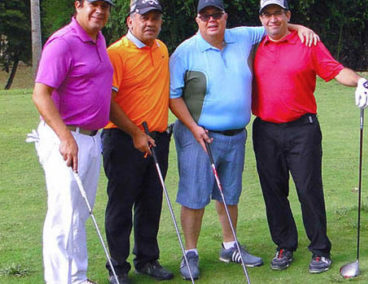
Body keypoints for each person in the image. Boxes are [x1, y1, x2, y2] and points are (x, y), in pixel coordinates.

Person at [169, 0, 319, 280]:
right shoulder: (185, 52)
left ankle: (230, 246)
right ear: (197, 20)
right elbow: (173, 95)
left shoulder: (241, 35)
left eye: (217, 14)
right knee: (194, 196)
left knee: (230, 194)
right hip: (199, 135)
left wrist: (300, 27)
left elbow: (273, 25)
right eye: (206, 15)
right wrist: (193, 127)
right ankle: (190, 252)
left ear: (225, 17)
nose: (212, 20)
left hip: (236, 134)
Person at [252, 0, 368, 274]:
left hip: (302, 129)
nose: (273, 19)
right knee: (273, 191)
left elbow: (335, 69)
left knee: (308, 189)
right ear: (261, 18)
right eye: (267, 14)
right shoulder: (253, 44)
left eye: (278, 13)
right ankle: (284, 245)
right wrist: (298, 26)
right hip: (265, 129)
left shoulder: (308, 43)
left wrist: (360, 81)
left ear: (287, 15)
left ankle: (320, 249)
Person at [31, 0, 114, 283]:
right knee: (63, 214)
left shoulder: (99, 39)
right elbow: (40, 94)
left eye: (105, 5)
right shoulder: (63, 42)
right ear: (78, 4)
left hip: (91, 138)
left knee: (80, 213)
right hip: (65, 138)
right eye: (94, 4)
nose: (99, 10)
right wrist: (65, 137)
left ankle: (76, 277)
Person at [101, 1, 173, 283]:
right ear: (130, 21)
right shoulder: (116, 53)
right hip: (123, 139)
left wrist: (148, 135)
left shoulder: (162, 49)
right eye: (144, 18)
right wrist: (134, 133)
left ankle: (147, 259)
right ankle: (117, 268)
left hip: (156, 138)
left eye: (155, 18)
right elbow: (107, 102)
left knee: (151, 202)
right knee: (121, 205)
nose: (150, 23)